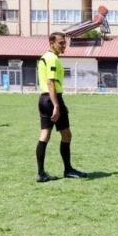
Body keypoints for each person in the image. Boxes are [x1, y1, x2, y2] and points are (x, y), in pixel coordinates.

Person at [35, 32, 87, 183]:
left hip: (44, 99)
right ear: (51, 43)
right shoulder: (52, 58)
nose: (64, 46)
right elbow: (51, 82)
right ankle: (68, 170)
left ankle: (41, 173)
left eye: (65, 43)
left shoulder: (45, 57)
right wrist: (56, 105)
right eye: (61, 43)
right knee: (66, 135)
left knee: (45, 134)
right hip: (52, 99)